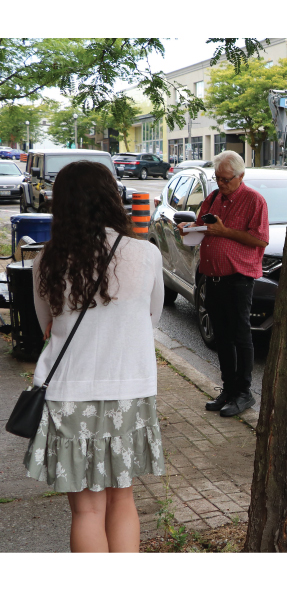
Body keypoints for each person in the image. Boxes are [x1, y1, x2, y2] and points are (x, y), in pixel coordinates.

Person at [24, 160, 165, 552]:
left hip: (69, 393)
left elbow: (45, 327)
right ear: (111, 198)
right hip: (129, 389)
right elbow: (152, 317)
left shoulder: (46, 260)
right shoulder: (145, 254)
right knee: (123, 498)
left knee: (86, 511)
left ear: (62, 204)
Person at [180, 150, 269, 417]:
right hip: (212, 277)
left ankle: (244, 393)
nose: (221, 183)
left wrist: (225, 232)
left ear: (241, 176)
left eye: (226, 179)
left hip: (238, 279)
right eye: (217, 178)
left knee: (240, 336)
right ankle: (229, 388)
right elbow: (200, 225)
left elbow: (261, 240)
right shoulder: (213, 198)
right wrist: (188, 229)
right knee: (221, 336)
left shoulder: (254, 201)